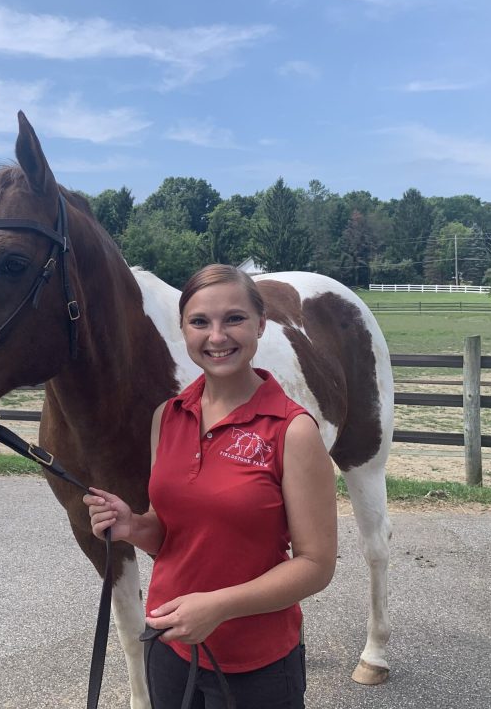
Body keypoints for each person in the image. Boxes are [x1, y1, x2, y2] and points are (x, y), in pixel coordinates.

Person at [84, 264, 338, 709]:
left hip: (255, 663)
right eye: (200, 322)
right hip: (168, 642)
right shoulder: (167, 417)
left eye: (234, 319)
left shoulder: (292, 430)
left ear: (261, 324)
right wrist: (133, 526)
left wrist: (218, 607)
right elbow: (172, 535)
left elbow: (317, 564)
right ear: (183, 329)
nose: (217, 336)